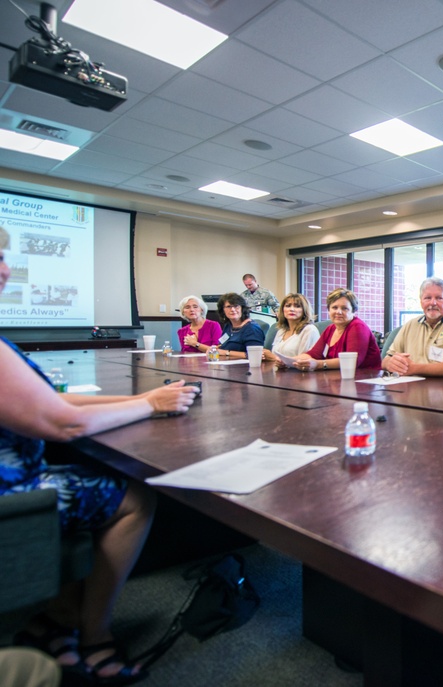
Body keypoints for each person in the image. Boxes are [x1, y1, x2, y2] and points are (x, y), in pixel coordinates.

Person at [0, 232, 198, 685]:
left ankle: (59, 615)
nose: (6, 269)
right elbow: (63, 425)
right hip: (12, 496)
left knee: (91, 473)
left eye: (5, 258)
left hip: (19, 476)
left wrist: (148, 394)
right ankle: (94, 634)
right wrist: (150, 406)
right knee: (134, 495)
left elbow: (50, 403)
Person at [292, 288, 382, 372]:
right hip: (335, 379)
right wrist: (289, 361)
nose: (338, 312)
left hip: (363, 380)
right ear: (328, 310)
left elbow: (352, 362)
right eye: (334, 307)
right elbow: (314, 354)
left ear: (353, 311)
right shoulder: (330, 329)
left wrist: (318, 364)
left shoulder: (358, 327)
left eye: (344, 308)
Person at [262, 293, 320, 364]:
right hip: (280, 372)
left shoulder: (310, 330)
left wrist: (273, 358)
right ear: (283, 310)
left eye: (297, 306)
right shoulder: (281, 331)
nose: (292, 309)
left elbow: (305, 361)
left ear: (304, 310)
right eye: (288, 306)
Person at [216, 293, 265, 359]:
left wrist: (226, 352)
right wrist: (214, 349)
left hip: (245, 367)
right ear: (222, 310)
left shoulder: (252, 329)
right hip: (228, 365)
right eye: (228, 306)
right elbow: (221, 345)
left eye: (236, 306)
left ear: (242, 308)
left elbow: (256, 355)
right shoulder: (228, 326)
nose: (233, 309)